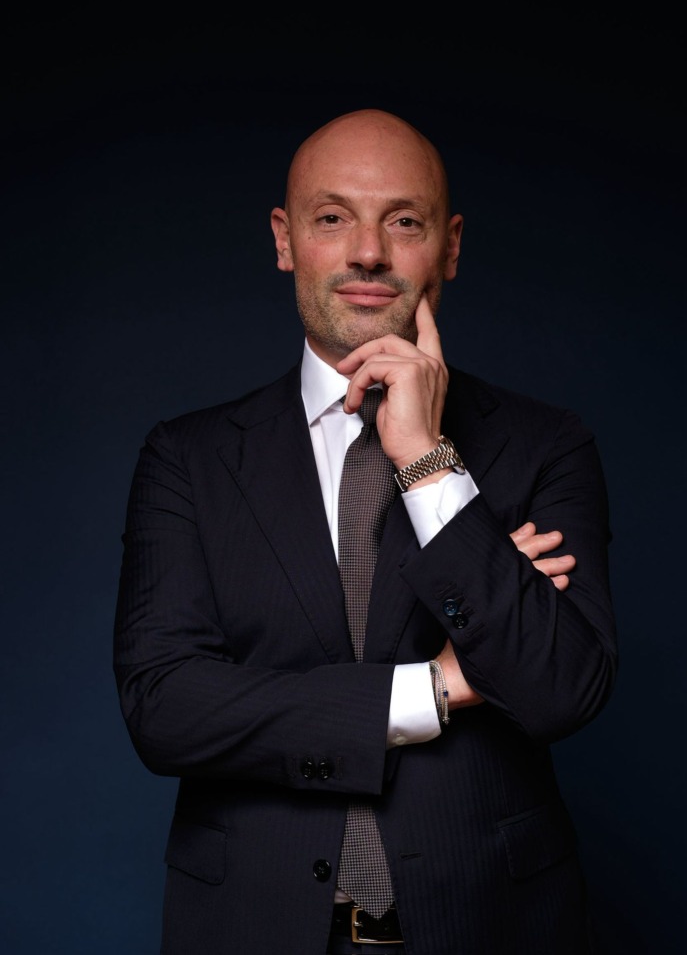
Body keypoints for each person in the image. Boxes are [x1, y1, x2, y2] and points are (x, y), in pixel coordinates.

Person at [114, 109, 616, 954]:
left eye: (404, 222)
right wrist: (434, 689)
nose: (369, 253)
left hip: (490, 927)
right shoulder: (188, 459)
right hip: (254, 929)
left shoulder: (543, 446)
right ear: (285, 239)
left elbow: (561, 687)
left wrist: (424, 458)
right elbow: (164, 710)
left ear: (449, 246)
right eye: (332, 217)